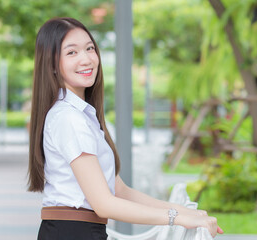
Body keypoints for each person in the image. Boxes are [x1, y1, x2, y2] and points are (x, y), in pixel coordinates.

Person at [28, 17, 223, 240]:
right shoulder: (68, 118)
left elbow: (120, 191)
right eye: (71, 52)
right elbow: (104, 204)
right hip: (72, 232)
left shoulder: (82, 115)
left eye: (90, 48)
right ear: (52, 64)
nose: (86, 59)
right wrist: (176, 218)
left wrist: (185, 212)